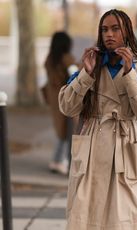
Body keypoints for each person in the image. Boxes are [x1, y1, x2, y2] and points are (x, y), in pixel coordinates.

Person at [59, 9, 137, 230]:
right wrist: (86, 74)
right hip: (93, 145)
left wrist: (129, 74)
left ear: (127, 32)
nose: (109, 34)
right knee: (85, 217)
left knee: (125, 219)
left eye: (115, 28)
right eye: (105, 29)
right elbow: (67, 107)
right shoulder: (92, 63)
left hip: (127, 146)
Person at [44, 31, 78, 175]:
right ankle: (59, 160)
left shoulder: (50, 58)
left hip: (53, 95)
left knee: (61, 129)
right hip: (65, 95)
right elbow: (75, 73)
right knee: (66, 130)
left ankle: (57, 160)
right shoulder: (66, 58)